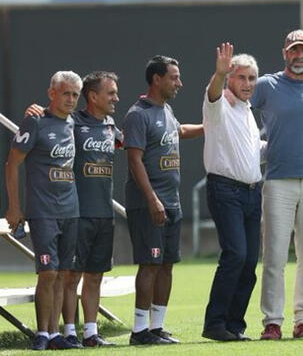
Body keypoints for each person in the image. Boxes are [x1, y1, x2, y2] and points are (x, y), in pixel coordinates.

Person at [23, 71, 122, 347]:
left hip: (95, 211)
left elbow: (125, 142)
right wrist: (35, 109)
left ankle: (88, 332)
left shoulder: (109, 125)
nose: (116, 98)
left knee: (93, 274)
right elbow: (49, 116)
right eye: (111, 92)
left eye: (73, 95)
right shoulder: (70, 121)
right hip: (67, 209)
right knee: (65, 275)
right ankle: (65, 331)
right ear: (93, 97)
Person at [251, 29, 303, 340]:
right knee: (274, 256)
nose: (300, 56)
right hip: (278, 180)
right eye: (294, 50)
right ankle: (272, 322)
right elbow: (235, 106)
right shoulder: (266, 85)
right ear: (285, 53)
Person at [123, 55, 203, 345]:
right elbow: (134, 160)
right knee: (150, 264)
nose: (179, 83)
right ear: (156, 79)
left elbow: (179, 132)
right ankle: (139, 330)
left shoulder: (166, 110)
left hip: (172, 203)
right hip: (149, 205)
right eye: (174, 77)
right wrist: (152, 199)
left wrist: (209, 127)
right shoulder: (138, 114)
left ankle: (157, 327)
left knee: (167, 264)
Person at [5, 71, 82, 350]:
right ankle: (42, 332)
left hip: (71, 210)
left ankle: (54, 334)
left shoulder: (75, 122)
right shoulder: (35, 121)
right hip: (42, 210)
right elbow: (12, 164)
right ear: (52, 93)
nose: (71, 100)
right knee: (48, 272)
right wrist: (14, 207)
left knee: (63, 272)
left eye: (75, 94)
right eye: (66, 93)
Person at [201, 43, 264, 342]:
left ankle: (234, 325)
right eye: (241, 77)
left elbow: (252, 151)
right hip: (225, 190)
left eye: (252, 78)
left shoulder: (248, 111)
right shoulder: (219, 105)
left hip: (252, 193)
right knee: (236, 255)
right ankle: (215, 323)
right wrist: (218, 72)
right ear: (230, 79)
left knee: (250, 261)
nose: (248, 84)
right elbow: (212, 94)